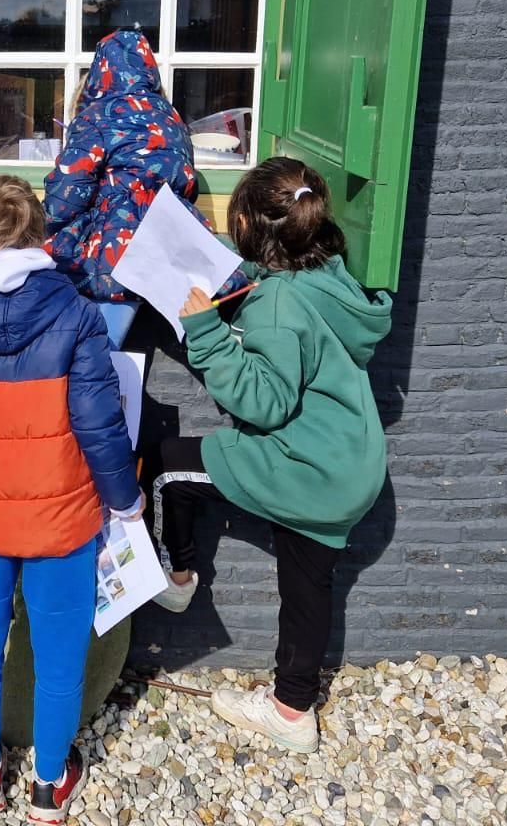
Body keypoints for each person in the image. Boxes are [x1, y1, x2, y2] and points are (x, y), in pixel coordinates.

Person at [0, 176, 142, 823]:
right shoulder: (74, 312)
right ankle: (47, 783)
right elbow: (101, 425)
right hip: (61, 521)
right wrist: (125, 500)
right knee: (59, 659)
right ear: (40, 231)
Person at [147, 157, 392, 753]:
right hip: (350, 463)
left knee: (165, 466)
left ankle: (176, 580)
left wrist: (205, 331)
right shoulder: (328, 276)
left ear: (252, 228)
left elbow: (265, 401)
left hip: (304, 465)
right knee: (307, 584)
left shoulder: (278, 304)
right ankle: (291, 708)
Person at [44, 29, 201, 348]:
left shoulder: (97, 117)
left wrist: (46, 225)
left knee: (99, 347)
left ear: (100, 74)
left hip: (115, 246)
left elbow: (66, 196)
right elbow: (186, 183)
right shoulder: (172, 119)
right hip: (169, 243)